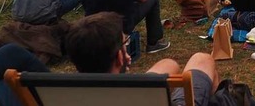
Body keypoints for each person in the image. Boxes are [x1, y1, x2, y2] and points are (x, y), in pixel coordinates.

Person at [65, 12, 220, 105]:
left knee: (168, 64)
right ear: (120, 57)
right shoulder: (136, 96)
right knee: (202, 59)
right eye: (125, 43)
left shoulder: (55, 93)